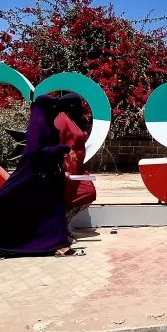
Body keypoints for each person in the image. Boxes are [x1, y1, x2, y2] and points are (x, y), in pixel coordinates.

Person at [0, 94, 83, 260]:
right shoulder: (38, 125)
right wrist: (63, 149)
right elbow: (35, 153)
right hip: (29, 177)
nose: (55, 111)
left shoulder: (49, 125)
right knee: (11, 209)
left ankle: (60, 246)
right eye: (51, 108)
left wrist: (60, 167)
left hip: (47, 177)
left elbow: (48, 150)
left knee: (53, 211)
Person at [55, 93, 97, 230]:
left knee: (88, 192)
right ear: (71, 106)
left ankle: (62, 223)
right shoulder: (61, 120)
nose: (81, 108)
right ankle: (59, 227)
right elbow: (57, 143)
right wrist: (62, 167)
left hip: (78, 167)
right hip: (67, 168)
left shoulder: (72, 119)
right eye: (78, 105)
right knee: (65, 197)